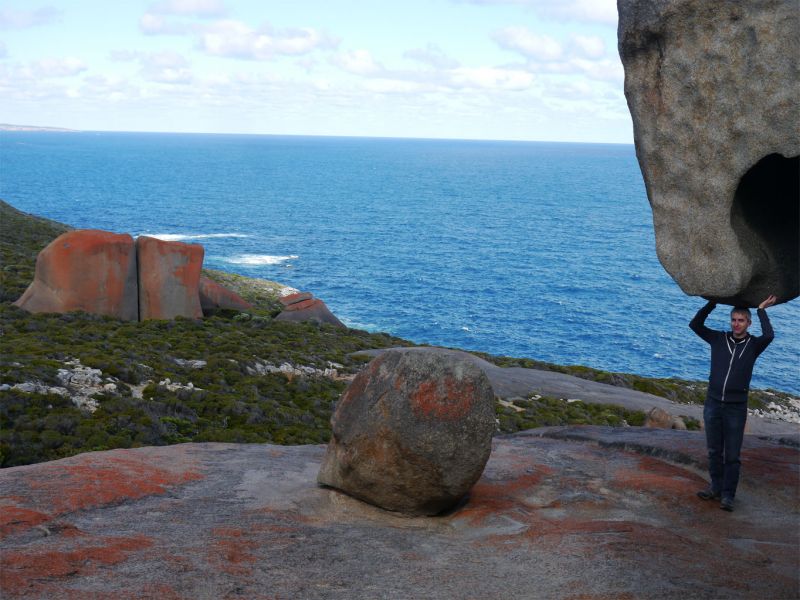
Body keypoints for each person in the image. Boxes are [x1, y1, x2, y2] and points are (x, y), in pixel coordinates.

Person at [689, 294, 776, 512]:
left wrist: (761, 310)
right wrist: (712, 302)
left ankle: (728, 495)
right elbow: (695, 324)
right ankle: (715, 487)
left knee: (733, 455)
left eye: (741, 320)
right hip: (713, 403)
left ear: (748, 323)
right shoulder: (719, 339)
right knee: (713, 451)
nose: (736, 324)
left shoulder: (754, 345)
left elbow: (769, 334)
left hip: (736, 408)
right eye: (734, 320)